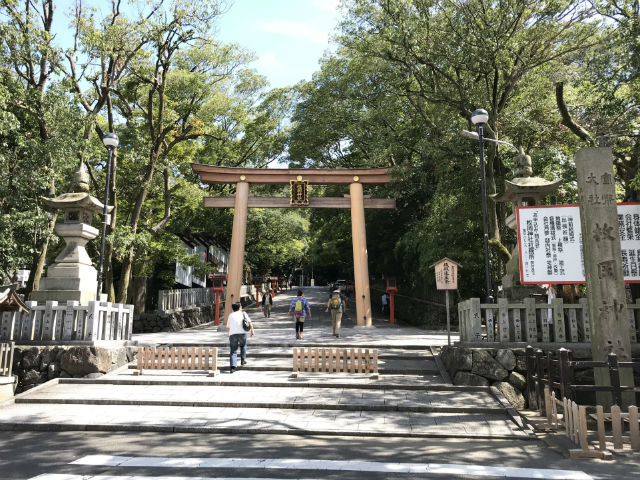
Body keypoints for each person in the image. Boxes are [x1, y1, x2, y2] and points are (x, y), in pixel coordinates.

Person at [227, 302, 254, 373]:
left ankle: (233, 367)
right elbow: (249, 322)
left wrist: (229, 334)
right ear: (239, 307)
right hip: (242, 333)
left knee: (233, 350)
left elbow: (228, 327)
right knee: (243, 345)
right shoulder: (243, 313)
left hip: (233, 334)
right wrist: (252, 331)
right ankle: (243, 360)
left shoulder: (230, 315)